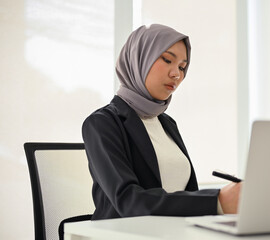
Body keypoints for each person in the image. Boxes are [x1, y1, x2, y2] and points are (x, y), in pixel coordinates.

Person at [82, 24, 241, 220]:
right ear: (139, 59)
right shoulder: (102, 123)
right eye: (167, 60)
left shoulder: (167, 124)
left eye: (182, 67)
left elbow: (187, 193)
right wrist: (217, 201)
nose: (177, 74)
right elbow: (129, 201)